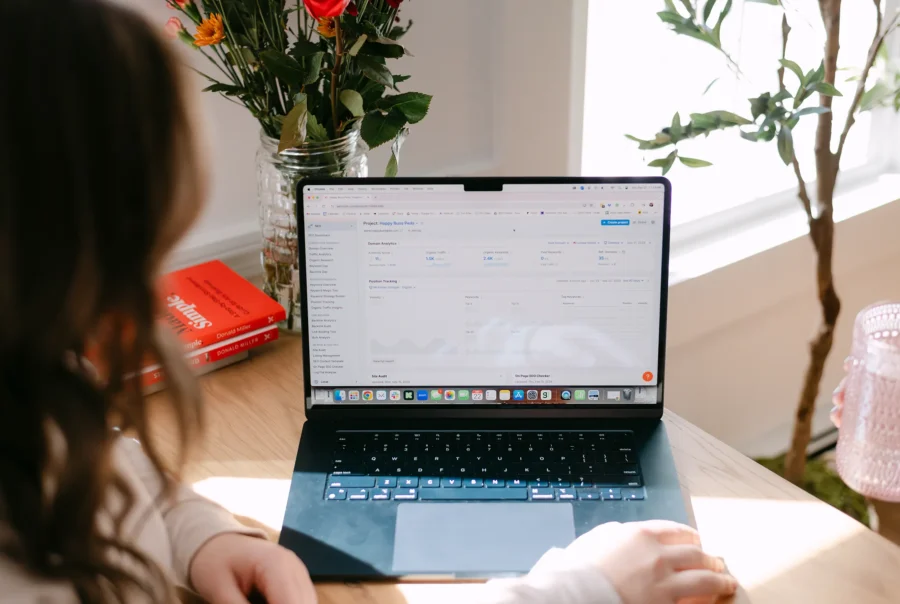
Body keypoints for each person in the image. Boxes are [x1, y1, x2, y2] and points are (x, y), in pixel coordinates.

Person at [0, 1, 738, 602]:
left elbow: (94, 464)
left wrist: (197, 533)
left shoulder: (35, 393)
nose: (156, 308)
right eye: (146, 260)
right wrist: (580, 590)